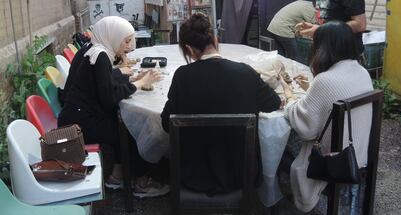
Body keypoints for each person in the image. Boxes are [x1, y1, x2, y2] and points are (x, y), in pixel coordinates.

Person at [160, 13, 281, 195]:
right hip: (242, 173)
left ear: (189, 49)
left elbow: (166, 123)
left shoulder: (182, 76)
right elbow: (274, 103)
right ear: (215, 40)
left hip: (194, 176)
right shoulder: (245, 72)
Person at [58, 16, 167, 197]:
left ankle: (117, 176)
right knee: (133, 131)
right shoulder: (100, 56)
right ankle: (141, 182)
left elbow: (104, 83)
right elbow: (109, 98)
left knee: (123, 123)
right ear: (113, 36)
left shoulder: (96, 50)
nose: (128, 46)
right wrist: (140, 84)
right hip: (80, 124)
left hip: (76, 115)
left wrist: (131, 78)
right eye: (125, 41)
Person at [279, 21, 373, 213]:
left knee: (282, 150)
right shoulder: (362, 72)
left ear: (322, 48)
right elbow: (333, 99)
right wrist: (310, 89)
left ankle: (280, 196)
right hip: (359, 155)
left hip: (335, 164)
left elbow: (305, 127)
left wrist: (288, 97)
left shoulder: (324, 81)